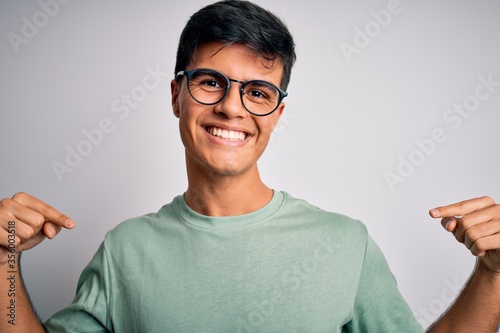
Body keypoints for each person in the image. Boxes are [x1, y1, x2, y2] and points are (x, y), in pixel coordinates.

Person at [1, 1, 500, 332]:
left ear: (277, 115)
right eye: (210, 82)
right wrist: (2, 263)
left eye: (257, 92)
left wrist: (494, 276)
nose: (232, 108)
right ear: (177, 96)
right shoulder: (124, 250)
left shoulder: (345, 243)